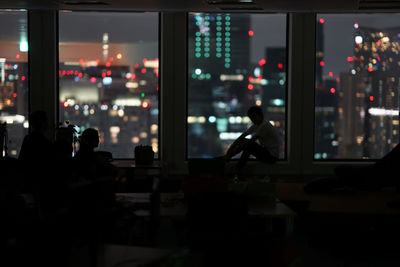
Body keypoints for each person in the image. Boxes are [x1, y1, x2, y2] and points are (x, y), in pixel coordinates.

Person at [224, 106, 279, 172]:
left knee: (249, 145)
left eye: (254, 117)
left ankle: (237, 166)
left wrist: (231, 153)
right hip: (266, 153)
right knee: (247, 144)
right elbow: (243, 136)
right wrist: (232, 147)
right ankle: (237, 166)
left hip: (271, 157)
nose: (252, 120)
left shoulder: (264, 125)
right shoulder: (257, 124)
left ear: (260, 115)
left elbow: (252, 140)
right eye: (251, 118)